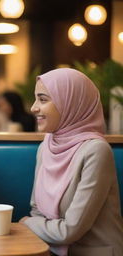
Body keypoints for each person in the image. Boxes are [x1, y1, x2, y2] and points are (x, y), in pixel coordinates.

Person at [20, 68, 123, 256]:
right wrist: (34, 222)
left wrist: (26, 223)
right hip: (50, 250)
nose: (33, 107)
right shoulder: (47, 145)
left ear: (70, 103)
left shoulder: (96, 150)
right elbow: (37, 209)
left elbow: (70, 230)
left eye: (43, 99)